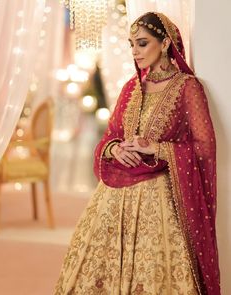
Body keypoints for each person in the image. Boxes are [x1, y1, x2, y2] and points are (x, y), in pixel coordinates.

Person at [54, 12, 220, 295]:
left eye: (142, 43)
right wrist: (114, 148)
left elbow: (205, 148)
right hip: (114, 198)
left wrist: (155, 148)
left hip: (161, 198)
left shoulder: (187, 88)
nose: (135, 51)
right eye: (132, 44)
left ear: (165, 42)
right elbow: (111, 135)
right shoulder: (132, 87)